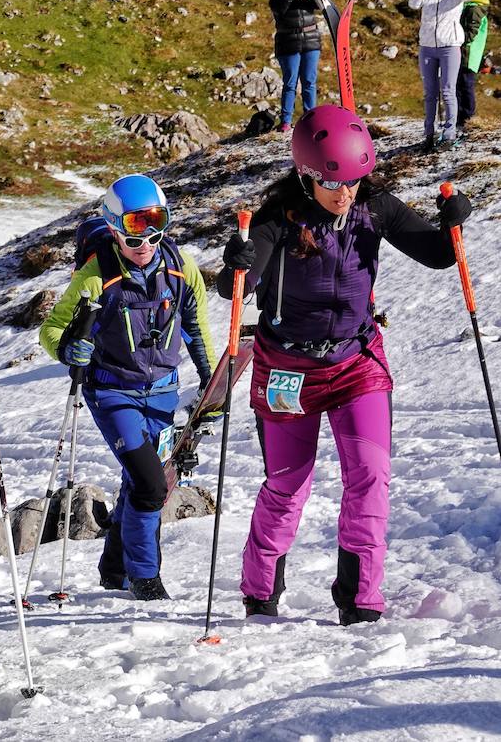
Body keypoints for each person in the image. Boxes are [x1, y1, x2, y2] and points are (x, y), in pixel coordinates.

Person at [218, 104, 470, 625]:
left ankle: (360, 600)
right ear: (306, 174)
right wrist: (235, 265)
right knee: (288, 484)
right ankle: (260, 593)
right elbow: (238, 287)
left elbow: (438, 254)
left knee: (371, 475)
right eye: (335, 184)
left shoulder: (373, 207)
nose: (346, 193)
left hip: (356, 362)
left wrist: (452, 225)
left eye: (355, 181)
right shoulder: (277, 218)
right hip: (288, 368)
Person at [40, 174, 214, 601]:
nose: (147, 240)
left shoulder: (180, 267)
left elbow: (196, 326)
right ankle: (145, 578)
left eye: (157, 223)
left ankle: (114, 567)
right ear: (115, 229)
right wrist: (69, 350)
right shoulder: (95, 276)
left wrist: (213, 381)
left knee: (143, 480)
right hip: (112, 392)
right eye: (136, 229)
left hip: (163, 392)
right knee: (150, 485)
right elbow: (52, 329)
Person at [408, 0, 478, 150]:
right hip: (427, 47)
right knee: (430, 93)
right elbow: (413, 4)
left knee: (448, 91)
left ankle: (449, 134)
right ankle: (429, 134)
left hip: (450, 47)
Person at [270, 0, 323, 133]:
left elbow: (322, 6)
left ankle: (310, 118)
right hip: (288, 42)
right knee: (290, 82)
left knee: (309, 81)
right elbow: (280, 10)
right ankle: (286, 121)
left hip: (310, 41)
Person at [457, 0, 489, 136]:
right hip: (469, 54)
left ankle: (467, 118)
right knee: (462, 86)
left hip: (467, 55)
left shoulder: (474, 9)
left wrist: (457, 42)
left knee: (465, 86)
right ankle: (462, 117)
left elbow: (471, 33)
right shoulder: (473, 6)